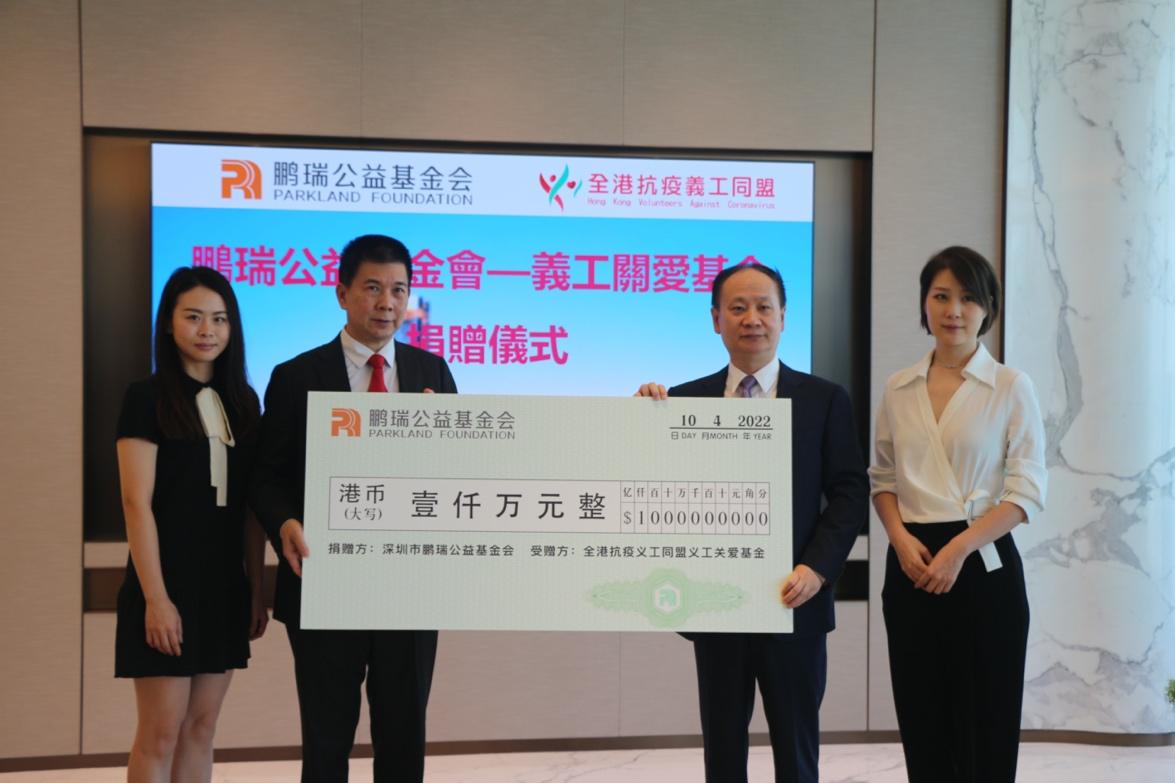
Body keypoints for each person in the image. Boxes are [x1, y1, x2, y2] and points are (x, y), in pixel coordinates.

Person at [635, 263, 868, 783]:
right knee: (722, 751)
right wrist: (640, 422)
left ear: (784, 316)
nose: (752, 319)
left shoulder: (824, 399)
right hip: (717, 605)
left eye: (764, 306)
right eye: (737, 308)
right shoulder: (682, 401)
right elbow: (653, 486)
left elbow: (850, 493)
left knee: (797, 753)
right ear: (715, 319)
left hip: (794, 601)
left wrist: (817, 569)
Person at [250, 233, 457, 783]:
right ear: (341, 293)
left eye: (399, 290)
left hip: (409, 587)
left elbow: (457, 475)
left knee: (403, 738)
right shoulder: (296, 376)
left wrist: (441, 440)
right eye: (372, 288)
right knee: (326, 739)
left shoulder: (432, 373)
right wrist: (284, 523)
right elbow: (265, 476)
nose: (387, 303)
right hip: (324, 579)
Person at [870, 246, 1047, 783]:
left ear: (988, 307)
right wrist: (899, 539)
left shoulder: (1010, 385)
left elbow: (1026, 491)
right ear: (923, 304)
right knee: (922, 716)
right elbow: (883, 479)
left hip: (983, 563)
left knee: (986, 719)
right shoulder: (899, 387)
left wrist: (957, 550)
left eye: (968, 298)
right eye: (941, 296)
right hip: (911, 564)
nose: (953, 310)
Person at [115, 266, 268, 782]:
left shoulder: (244, 403)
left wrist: (254, 589)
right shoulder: (146, 397)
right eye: (194, 317)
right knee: (160, 733)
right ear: (168, 323)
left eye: (220, 319)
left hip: (223, 587)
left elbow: (250, 511)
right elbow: (136, 504)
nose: (208, 330)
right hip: (166, 584)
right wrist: (156, 599)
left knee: (201, 730)